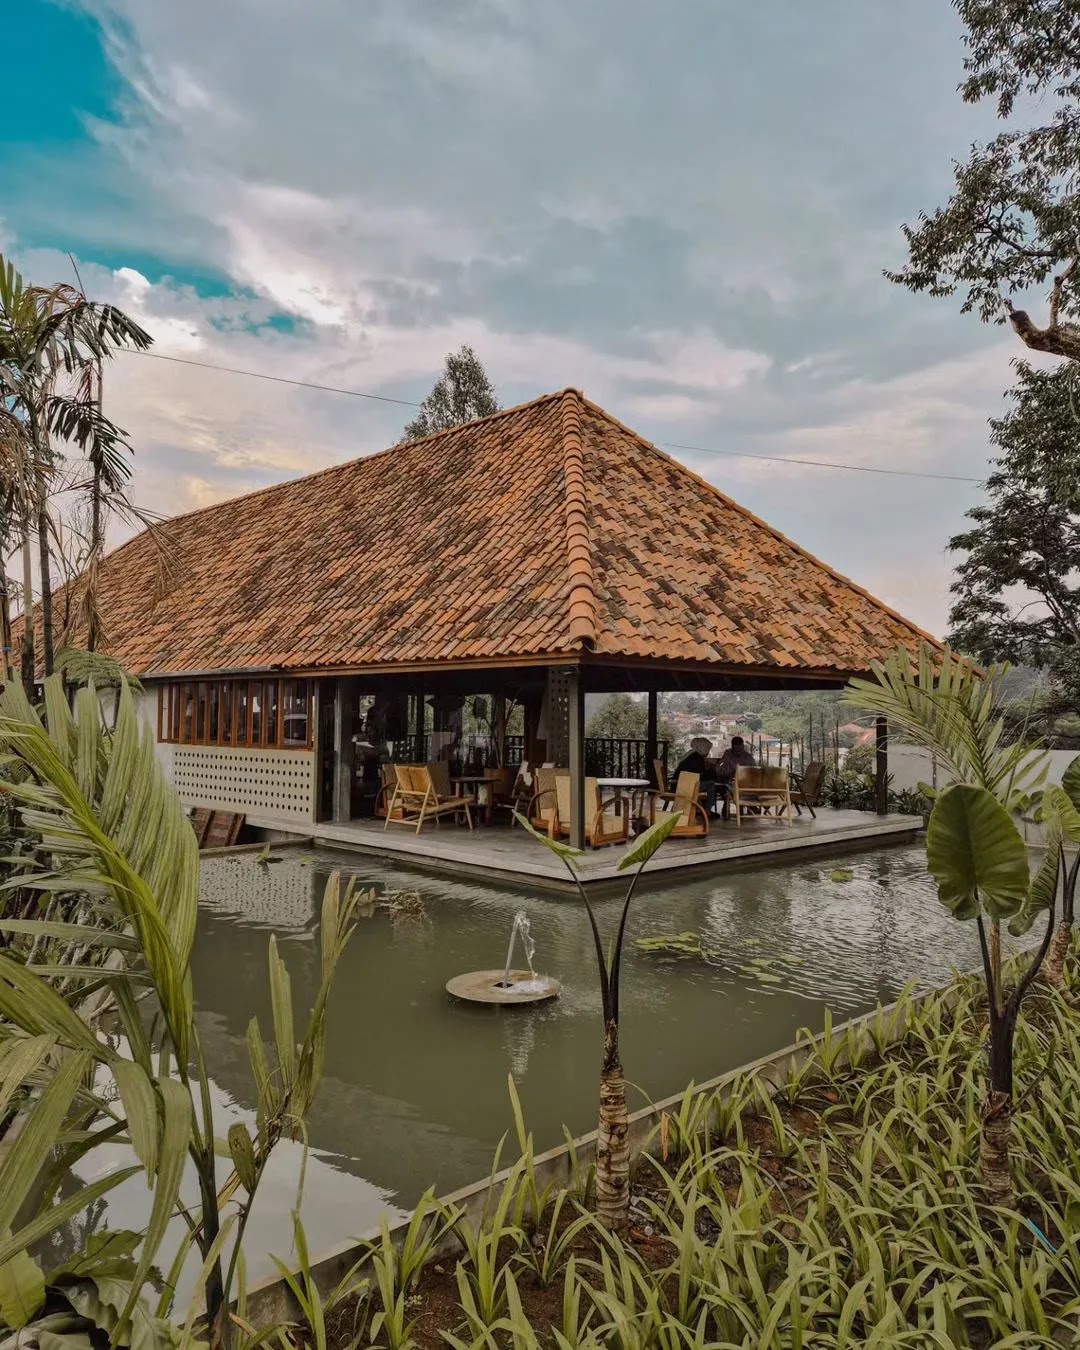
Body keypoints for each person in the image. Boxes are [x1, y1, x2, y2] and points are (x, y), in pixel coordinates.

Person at [670, 737, 719, 811]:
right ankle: (706, 810)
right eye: (707, 748)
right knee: (711, 785)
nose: (708, 751)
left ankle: (702, 809)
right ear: (703, 747)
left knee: (708, 783)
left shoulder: (691, 754)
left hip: (679, 784)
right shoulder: (696, 758)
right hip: (683, 786)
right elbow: (700, 776)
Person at [715, 735, 756, 821]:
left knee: (742, 788)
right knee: (726, 788)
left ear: (743, 746)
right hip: (728, 780)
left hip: (745, 783)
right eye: (736, 749)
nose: (738, 751)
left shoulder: (748, 757)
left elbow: (753, 771)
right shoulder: (727, 754)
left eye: (740, 749)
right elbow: (719, 769)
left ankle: (747, 806)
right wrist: (728, 766)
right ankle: (727, 805)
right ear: (732, 747)